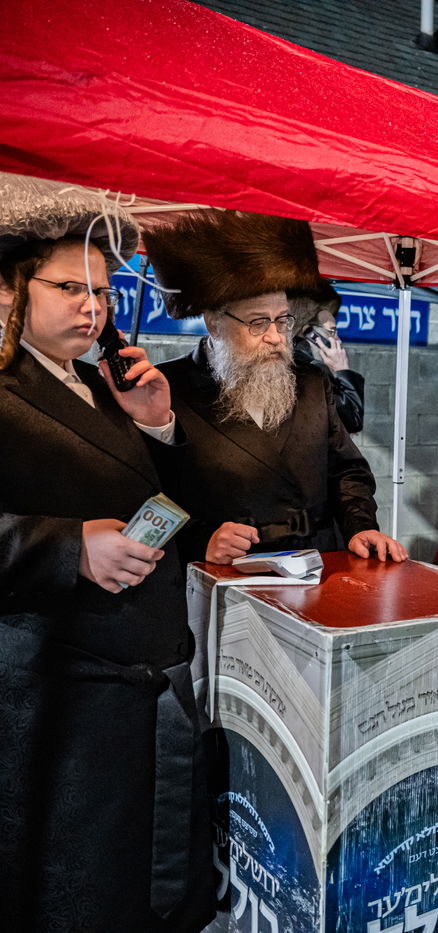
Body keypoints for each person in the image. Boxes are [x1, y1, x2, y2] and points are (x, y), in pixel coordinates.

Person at [0, 177, 215, 931]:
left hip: (144, 689)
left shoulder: (104, 384)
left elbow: (173, 502)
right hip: (57, 702)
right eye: (69, 288)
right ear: (14, 289)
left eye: (102, 290)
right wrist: (66, 546)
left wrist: (157, 427)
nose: (93, 308)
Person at [143, 211, 405, 564]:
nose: (275, 337)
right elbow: (146, 492)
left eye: (283, 320)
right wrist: (200, 538)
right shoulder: (166, 388)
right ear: (214, 324)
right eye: (257, 322)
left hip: (319, 562)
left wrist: (360, 525)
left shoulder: (311, 380)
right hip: (228, 571)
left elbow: (347, 471)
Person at [291, 277, 365, 433]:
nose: (337, 339)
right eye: (331, 332)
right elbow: (352, 420)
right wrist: (342, 369)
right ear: (310, 334)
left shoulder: (302, 364)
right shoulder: (310, 371)